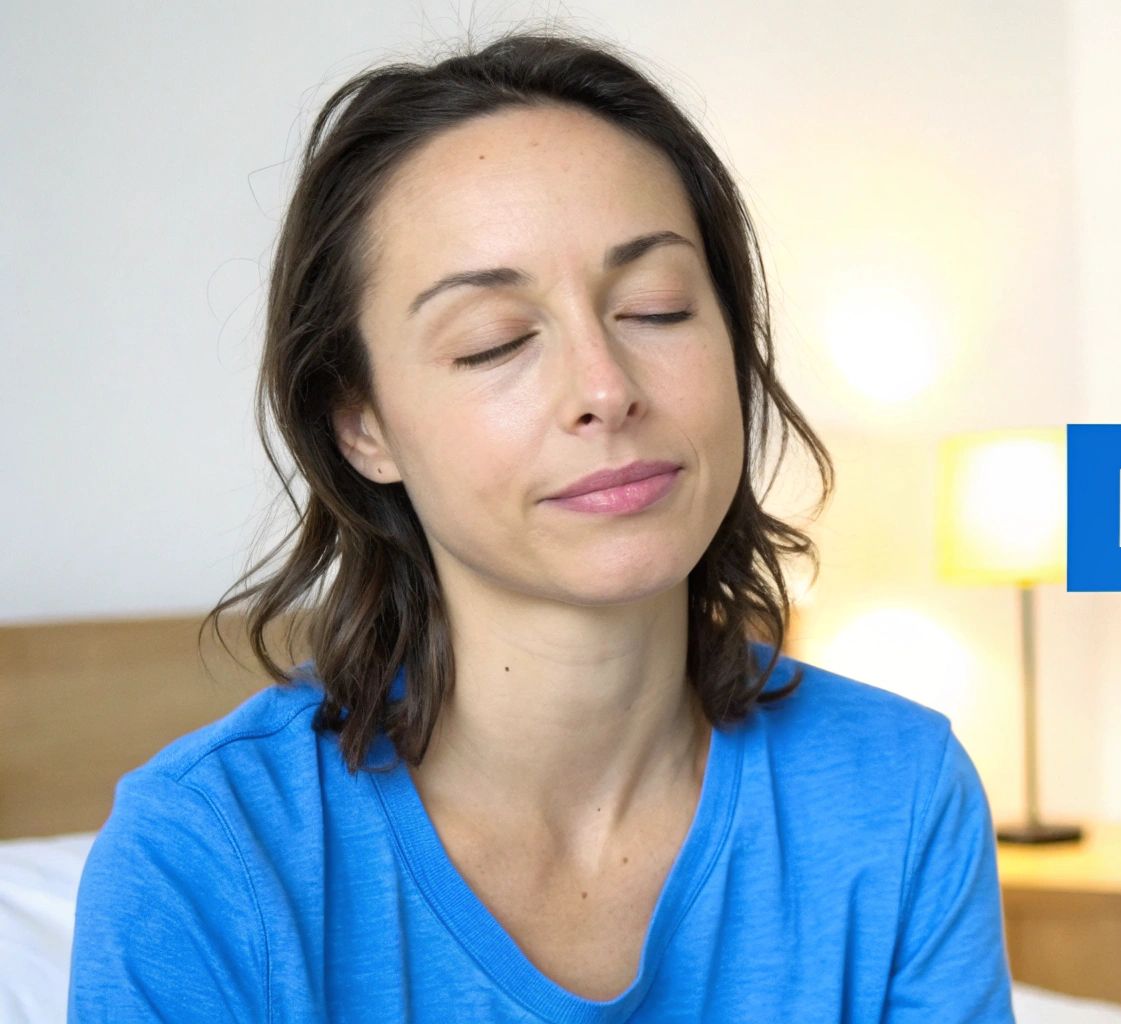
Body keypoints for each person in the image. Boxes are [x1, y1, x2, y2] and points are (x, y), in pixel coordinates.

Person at [67, 29, 1014, 1023]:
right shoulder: (205, 857)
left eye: (656, 308)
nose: (604, 388)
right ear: (363, 426)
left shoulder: (899, 790)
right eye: (495, 342)